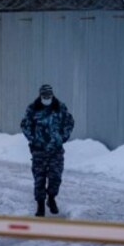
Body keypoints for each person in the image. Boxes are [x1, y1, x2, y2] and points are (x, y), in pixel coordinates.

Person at [20, 84, 75, 217]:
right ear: (40, 95)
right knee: (39, 179)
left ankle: (51, 199)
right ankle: (40, 205)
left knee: (55, 178)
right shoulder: (33, 109)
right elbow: (25, 125)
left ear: (52, 95)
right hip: (39, 151)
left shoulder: (60, 107)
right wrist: (33, 139)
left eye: (49, 96)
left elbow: (69, 122)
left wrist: (62, 138)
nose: (47, 98)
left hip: (55, 150)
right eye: (44, 96)